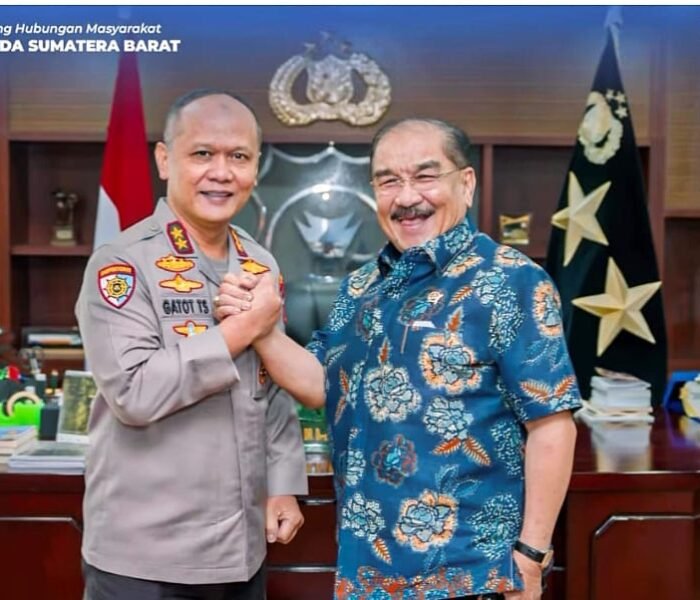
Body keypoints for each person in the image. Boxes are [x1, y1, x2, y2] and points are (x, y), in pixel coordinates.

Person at [217, 118, 582, 600]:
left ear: (466, 183)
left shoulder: (511, 280)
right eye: (388, 181)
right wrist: (259, 326)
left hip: (473, 575)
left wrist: (531, 557)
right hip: (368, 571)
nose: (407, 197)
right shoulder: (361, 286)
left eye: (425, 176)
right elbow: (320, 383)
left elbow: (552, 424)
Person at [75, 89, 307, 600]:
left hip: (242, 548)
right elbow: (134, 393)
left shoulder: (260, 264)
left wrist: (283, 484)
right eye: (202, 153)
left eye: (238, 156)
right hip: (146, 555)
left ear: (255, 167)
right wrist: (238, 332)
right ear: (165, 159)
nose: (221, 172)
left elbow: (270, 388)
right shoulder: (122, 263)